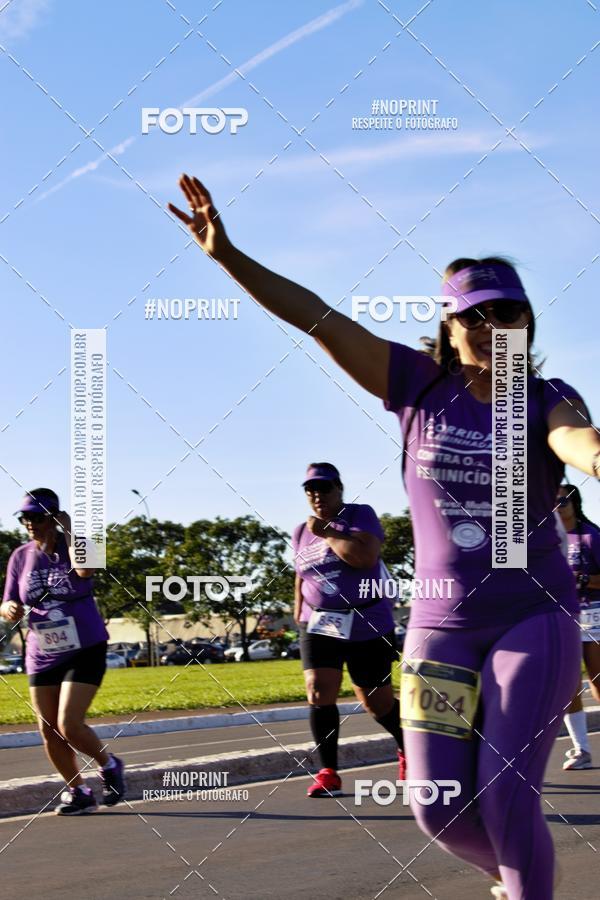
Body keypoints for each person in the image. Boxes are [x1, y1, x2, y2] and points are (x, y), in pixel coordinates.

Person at [168, 175, 600, 898]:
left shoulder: (544, 398)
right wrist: (227, 256)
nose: (495, 326)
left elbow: (579, 441)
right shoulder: (416, 385)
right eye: (477, 314)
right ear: (449, 323)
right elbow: (319, 318)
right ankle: (517, 879)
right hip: (440, 629)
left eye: (510, 313)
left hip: (533, 619)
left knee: (505, 794)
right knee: (437, 810)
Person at [0, 489, 126, 814]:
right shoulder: (20, 556)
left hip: (85, 646)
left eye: (37, 517)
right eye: (25, 518)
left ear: (54, 517)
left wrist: (70, 529)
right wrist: (9, 607)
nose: (30, 523)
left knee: (69, 723)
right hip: (42, 650)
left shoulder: (78, 545)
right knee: (47, 728)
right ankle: (78, 791)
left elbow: (86, 571)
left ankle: (109, 765)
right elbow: (7, 600)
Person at [292, 462, 404, 797]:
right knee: (317, 689)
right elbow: (301, 574)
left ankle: (408, 747)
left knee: (376, 703)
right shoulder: (300, 530)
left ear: (339, 489)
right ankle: (328, 771)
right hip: (319, 622)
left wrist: (327, 530)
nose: (317, 495)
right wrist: (298, 612)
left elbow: (364, 558)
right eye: (311, 489)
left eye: (324, 488)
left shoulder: (359, 515)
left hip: (367, 622)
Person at [557, 483, 600, 769]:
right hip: (563, 618)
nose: (556, 507)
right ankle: (581, 750)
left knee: (598, 682)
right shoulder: (546, 538)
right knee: (568, 687)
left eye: (562, 502)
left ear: (575, 504)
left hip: (594, 615)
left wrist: (580, 580)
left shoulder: (591, 536)